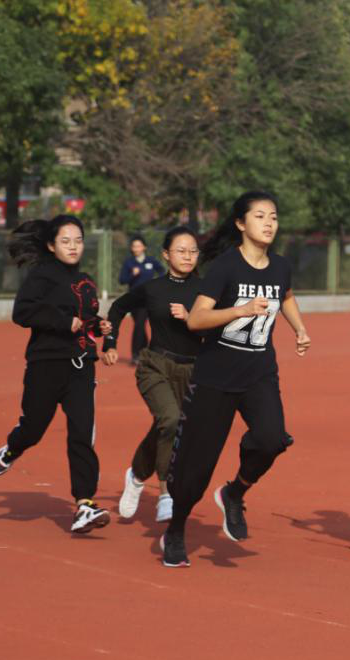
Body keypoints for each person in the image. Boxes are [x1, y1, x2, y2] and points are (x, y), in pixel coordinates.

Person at [158, 191, 311, 567]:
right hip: (216, 376)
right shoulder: (226, 267)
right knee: (197, 465)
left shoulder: (280, 266)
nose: (269, 223)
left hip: (260, 373)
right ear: (241, 223)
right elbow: (197, 320)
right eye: (260, 216)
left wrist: (299, 327)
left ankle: (234, 493)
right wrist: (240, 310)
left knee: (272, 439)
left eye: (273, 216)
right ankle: (176, 528)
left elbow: (286, 296)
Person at [0, 215, 111, 535]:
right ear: (51, 245)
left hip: (81, 367)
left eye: (78, 240)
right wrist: (61, 321)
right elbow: (22, 312)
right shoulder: (41, 276)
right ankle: (14, 447)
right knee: (34, 428)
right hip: (46, 365)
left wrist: (98, 326)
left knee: (82, 433)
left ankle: (85, 503)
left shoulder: (86, 281)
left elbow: (85, 319)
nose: (73, 247)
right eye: (65, 241)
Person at [103, 226, 202, 523]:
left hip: (192, 370)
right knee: (170, 420)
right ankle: (166, 493)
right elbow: (118, 308)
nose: (188, 256)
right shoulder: (153, 288)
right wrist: (109, 343)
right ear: (166, 254)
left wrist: (192, 317)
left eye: (193, 251)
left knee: (168, 427)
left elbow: (220, 325)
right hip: (155, 365)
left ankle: (136, 474)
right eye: (181, 251)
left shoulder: (206, 290)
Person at [118, 234, 163, 363]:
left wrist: (157, 282)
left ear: (144, 247)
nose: (136, 248)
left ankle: (136, 354)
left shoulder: (150, 261)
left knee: (139, 324)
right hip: (133, 299)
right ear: (131, 248)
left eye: (139, 246)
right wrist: (132, 275)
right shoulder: (129, 263)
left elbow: (161, 271)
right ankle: (148, 351)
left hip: (147, 299)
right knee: (140, 326)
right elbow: (122, 280)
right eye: (134, 246)